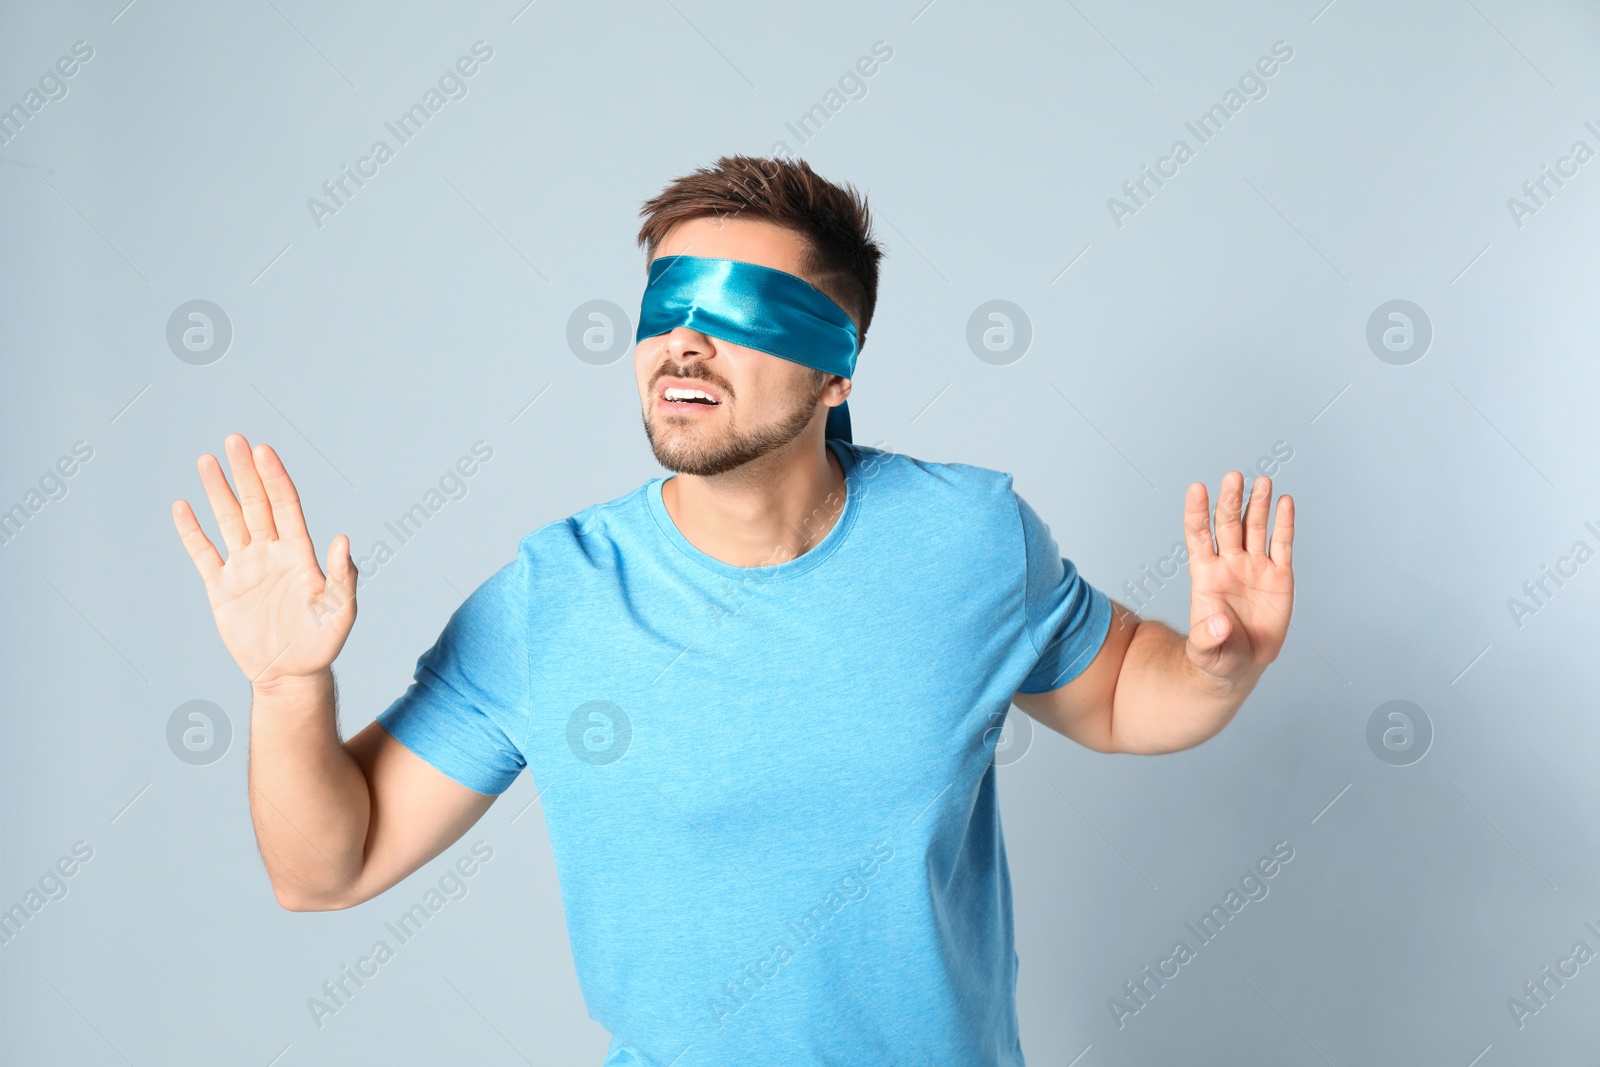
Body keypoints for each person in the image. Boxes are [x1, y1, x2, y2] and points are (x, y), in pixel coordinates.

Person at [171, 155, 1295, 1066]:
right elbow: (326, 867)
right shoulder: (552, 596)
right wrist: (287, 686)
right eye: (665, 305)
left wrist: (1217, 667)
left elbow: (1113, 693)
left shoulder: (968, 536)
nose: (684, 341)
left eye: (742, 311)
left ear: (836, 368)